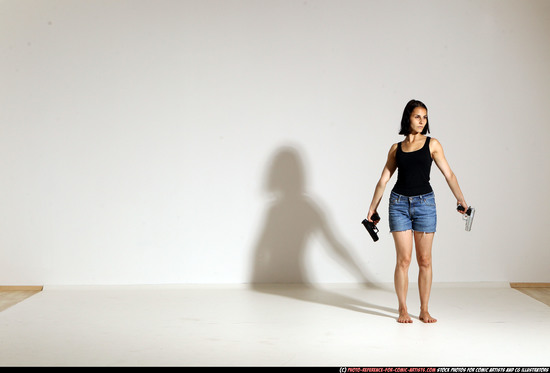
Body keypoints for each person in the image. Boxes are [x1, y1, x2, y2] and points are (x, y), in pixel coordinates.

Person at [366, 99, 468, 323]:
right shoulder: (396, 148)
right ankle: (402, 309)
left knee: (425, 260)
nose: (422, 121)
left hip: (425, 205)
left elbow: (449, 174)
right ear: (408, 118)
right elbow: (383, 180)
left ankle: (424, 310)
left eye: (425, 117)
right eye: (417, 117)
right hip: (398, 204)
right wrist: (372, 207)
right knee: (403, 260)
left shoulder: (432, 144)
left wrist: (461, 199)